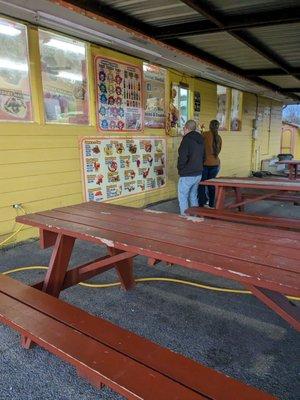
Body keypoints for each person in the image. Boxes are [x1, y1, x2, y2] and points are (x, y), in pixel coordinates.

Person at [177, 119, 205, 215]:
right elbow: (204, 156)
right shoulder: (201, 139)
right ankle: (195, 217)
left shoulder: (186, 140)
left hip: (187, 174)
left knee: (183, 197)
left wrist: (181, 169)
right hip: (198, 173)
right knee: (193, 196)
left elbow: (182, 158)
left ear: (186, 128)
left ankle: (185, 219)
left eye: (184, 129)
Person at [198, 119, 222, 208]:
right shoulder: (219, 138)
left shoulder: (205, 134)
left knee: (202, 184)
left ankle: (201, 204)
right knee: (211, 185)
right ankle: (212, 204)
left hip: (205, 163)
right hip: (215, 164)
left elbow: (199, 146)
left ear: (209, 126)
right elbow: (218, 151)